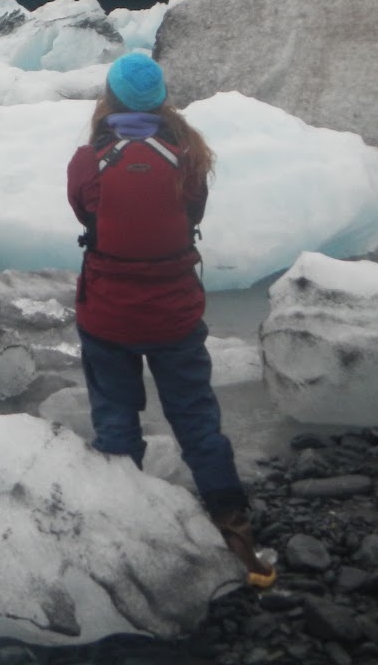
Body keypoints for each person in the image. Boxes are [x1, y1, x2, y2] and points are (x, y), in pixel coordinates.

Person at [67, 51, 276, 587]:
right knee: (197, 421)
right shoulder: (187, 156)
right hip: (175, 314)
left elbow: (85, 213)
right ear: (161, 101)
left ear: (109, 99)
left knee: (116, 420)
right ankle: (234, 525)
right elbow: (193, 214)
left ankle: (124, 532)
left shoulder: (89, 161)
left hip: (108, 313)